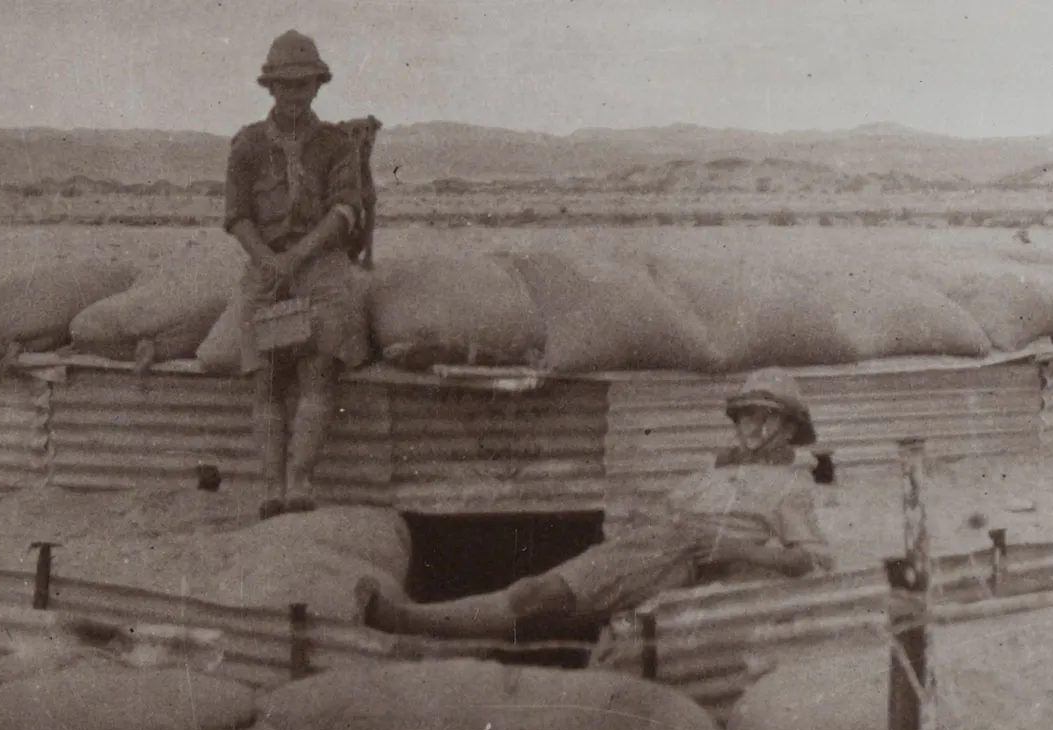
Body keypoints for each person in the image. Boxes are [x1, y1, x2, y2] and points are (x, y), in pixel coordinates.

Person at [361, 368, 836, 639]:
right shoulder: (713, 472)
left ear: (791, 428)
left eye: (769, 419)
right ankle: (416, 621)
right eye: (747, 416)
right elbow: (664, 515)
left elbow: (810, 559)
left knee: (537, 598)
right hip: (657, 544)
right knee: (536, 596)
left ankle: (409, 621)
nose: (754, 428)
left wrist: (740, 551)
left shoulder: (790, 485)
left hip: (682, 557)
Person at [224, 30, 373, 520]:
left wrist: (299, 257)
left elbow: (346, 210)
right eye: (284, 86)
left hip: (321, 267)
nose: (294, 94)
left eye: (303, 84)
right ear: (270, 88)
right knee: (265, 380)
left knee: (318, 369)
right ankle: (270, 484)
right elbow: (237, 215)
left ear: (317, 87)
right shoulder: (246, 145)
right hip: (267, 267)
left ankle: (300, 479)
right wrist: (269, 259)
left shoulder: (336, 145)